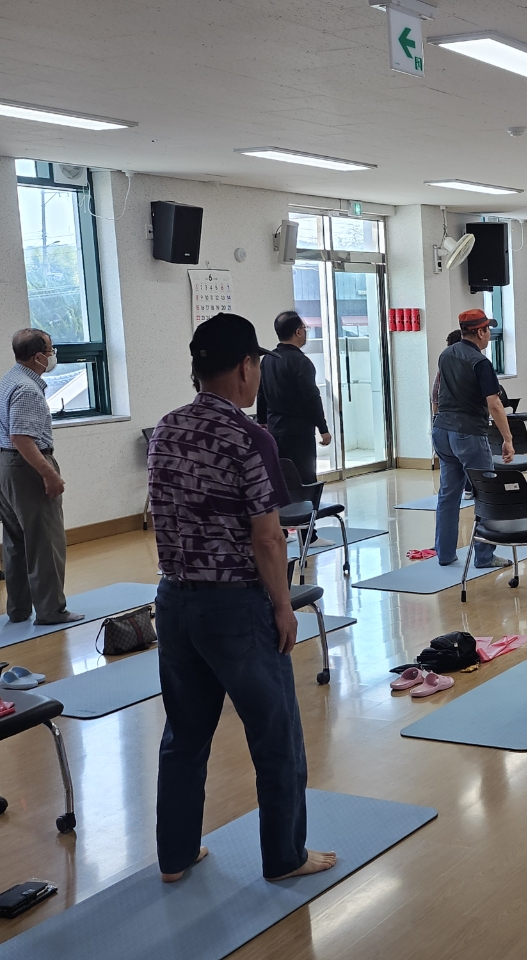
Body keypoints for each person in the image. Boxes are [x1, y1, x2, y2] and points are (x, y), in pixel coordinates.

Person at [147, 312, 335, 883]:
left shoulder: (165, 428)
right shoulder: (249, 436)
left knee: (184, 735)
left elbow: (157, 512)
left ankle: (175, 857)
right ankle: (285, 856)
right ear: (245, 368)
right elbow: (268, 535)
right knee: (276, 736)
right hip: (235, 606)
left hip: (174, 601)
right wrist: (282, 604)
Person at [0, 328, 82, 626]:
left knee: (16, 543)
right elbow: (22, 437)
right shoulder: (27, 389)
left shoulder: (9, 378)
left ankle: (19, 610)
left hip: (6, 466)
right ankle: (51, 611)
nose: (52, 355)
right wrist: (49, 474)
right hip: (27, 468)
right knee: (45, 542)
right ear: (37, 357)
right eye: (50, 350)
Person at [432, 309, 514, 568]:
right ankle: (484, 556)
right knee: (486, 494)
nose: (489, 334)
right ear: (480, 332)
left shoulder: (445, 355)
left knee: (448, 494)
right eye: (488, 329)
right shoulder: (481, 362)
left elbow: (440, 393)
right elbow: (495, 404)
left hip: (442, 431)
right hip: (468, 433)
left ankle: (444, 554)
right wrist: (507, 438)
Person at [256, 310, 331, 485]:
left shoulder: (267, 360)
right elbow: (311, 397)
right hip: (299, 434)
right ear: (298, 332)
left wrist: (262, 421)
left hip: (275, 430)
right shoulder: (301, 362)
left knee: (281, 480)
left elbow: (261, 393)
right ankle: (306, 512)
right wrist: (323, 428)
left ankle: (285, 513)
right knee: (304, 480)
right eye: (305, 329)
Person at [430, 330, 464, 417]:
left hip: (445, 415)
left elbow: (435, 391)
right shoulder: (468, 364)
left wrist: (435, 415)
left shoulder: (444, 362)